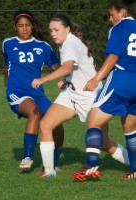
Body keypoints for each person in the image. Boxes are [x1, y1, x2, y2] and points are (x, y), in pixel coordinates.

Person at [31, 13, 129, 177]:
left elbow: (68, 67)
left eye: (57, 30)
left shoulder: (70, 43)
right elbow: (74, 70)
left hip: (91, 96)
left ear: (67, 29)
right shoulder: (67, 43)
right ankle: (49, 172)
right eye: (51, 31)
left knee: (105, 143)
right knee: (46, 124)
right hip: (72, 94)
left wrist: (44, 79)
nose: (53, 33)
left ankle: (133, 164)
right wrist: (67, 80)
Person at [71, 0, 136, 181]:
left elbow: (114, 56)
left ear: (122, 12)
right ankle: (135, 169)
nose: (110, 19)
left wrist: (96, 78)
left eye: (112, 14)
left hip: (122, 79)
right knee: (130, 127)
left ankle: (91, 166)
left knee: (93, 120)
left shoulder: (118, 28)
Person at [2, 10, 64, 171]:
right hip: (17, 92)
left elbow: (57, 67)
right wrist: (7, 82)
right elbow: (7, 64)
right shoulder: (8, 43)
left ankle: (52, 164)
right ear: (15, 27)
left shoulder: (43, 46)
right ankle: (27, 157)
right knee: (35, 113)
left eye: (27, 25)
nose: (24, 29)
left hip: (37, 94)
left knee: (57, 124)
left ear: (32, 26)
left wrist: (65, 79)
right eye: (20, 26)